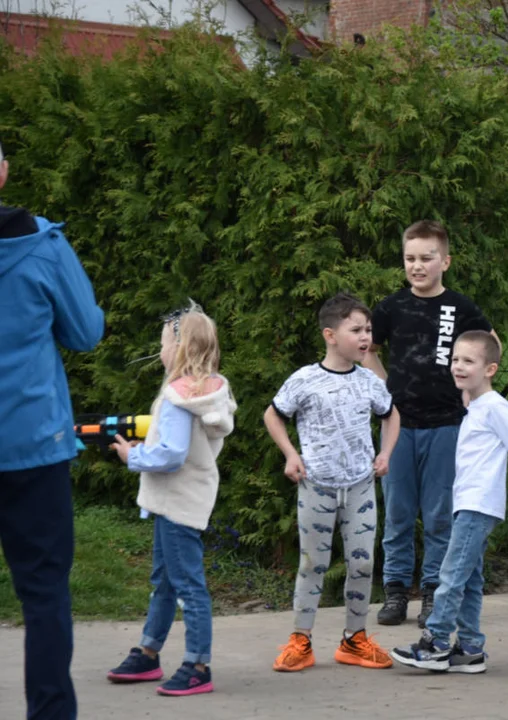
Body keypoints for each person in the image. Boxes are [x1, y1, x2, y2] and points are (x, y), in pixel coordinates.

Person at [0, 141, 105, 719]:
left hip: (34, 450)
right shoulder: (41, 244)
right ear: (4, 172)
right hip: (33, 449)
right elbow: (86, 333)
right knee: (42, 596)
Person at [390, 330, 508, 674]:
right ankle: (469, 648)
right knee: (469, 578)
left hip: (479, 505)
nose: (458, 366)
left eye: (468, 361)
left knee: (451, 575)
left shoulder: (494, 407)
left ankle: (435, 643)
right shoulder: (475, 406)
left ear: (490, 369)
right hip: (467, 503)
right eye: (455, 360)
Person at [363, 220, 495, 628]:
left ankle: (435, 594)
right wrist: (385, 389)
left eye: (426, 258)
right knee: (398, 512)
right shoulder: (390, 307)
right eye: (409, 258)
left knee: (440, 514)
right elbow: (366, 347)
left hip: (446, 426)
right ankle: (396, 591)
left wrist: (472, 386)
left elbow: (491, 343)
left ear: (445, 261)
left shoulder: (461, 307)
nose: (417, 266)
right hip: (398, 428)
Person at [263, 292, 401, 673]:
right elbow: (273, 416)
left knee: (362, 564)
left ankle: (354, 640)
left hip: (359, 487)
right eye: (355, 330)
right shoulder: (304, 380)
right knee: (312, 564)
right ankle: (300, 640)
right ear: (330, 335)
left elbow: (391, 415)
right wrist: (291, 454)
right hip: (317, 487)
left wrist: (385, 453)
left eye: (368, 330)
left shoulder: (371, 382)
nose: (365, 337)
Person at [107, 303, 236, 697]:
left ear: (180, 349)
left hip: (178, 503)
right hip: (180, 501)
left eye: (164, 343)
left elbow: (171, 454)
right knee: (165, 581)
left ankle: (198, 665)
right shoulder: (204, 392)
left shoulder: (179, 399)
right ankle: (148, 653)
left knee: (187, 586)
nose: (159, 351)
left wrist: (134, 457)